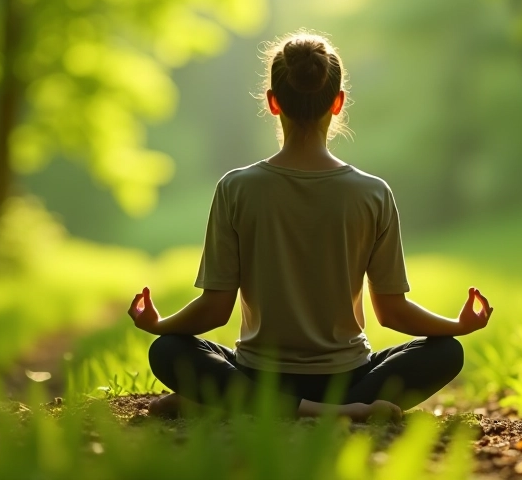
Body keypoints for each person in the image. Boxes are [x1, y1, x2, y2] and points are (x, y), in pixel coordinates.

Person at [127, 31, 493, 422]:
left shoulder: (236, 188)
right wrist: (457, 325)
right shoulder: (373, 193)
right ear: (338, 102)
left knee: (167, 350)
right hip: (347, 381)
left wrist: (159, 324)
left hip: (258, 376)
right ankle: (335, 410)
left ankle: (242, 403)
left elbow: (215, 310)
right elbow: (392, 313)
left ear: (272, 102)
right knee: (446, 351)